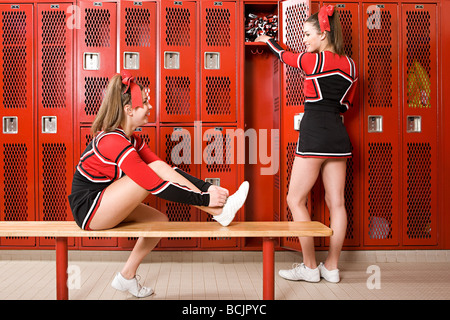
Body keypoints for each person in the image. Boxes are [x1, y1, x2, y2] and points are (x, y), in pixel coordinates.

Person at [68, 71, 249, 297]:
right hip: (89, 209)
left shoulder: (132, 139)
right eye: (144, 102)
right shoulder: (112, 140)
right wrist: (204, 199)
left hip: (105, 198)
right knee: (150, 174)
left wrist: (206, 188)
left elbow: (166, 170)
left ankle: (126, 277)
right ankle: (219, 211)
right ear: (129, 110)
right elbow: (155, 185)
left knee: (158, 221)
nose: (150, 106)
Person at [256, 5, 358, 283]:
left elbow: (283, 55)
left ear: (323, 35)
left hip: (313, 133)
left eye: (307, 34)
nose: (304, 40)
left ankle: (310, 267)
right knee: (337, 203)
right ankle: (332, 268)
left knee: (294, 199)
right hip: (338, 135)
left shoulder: (315, 62)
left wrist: (267, 40)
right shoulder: (350, 65)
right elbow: (346, 105)